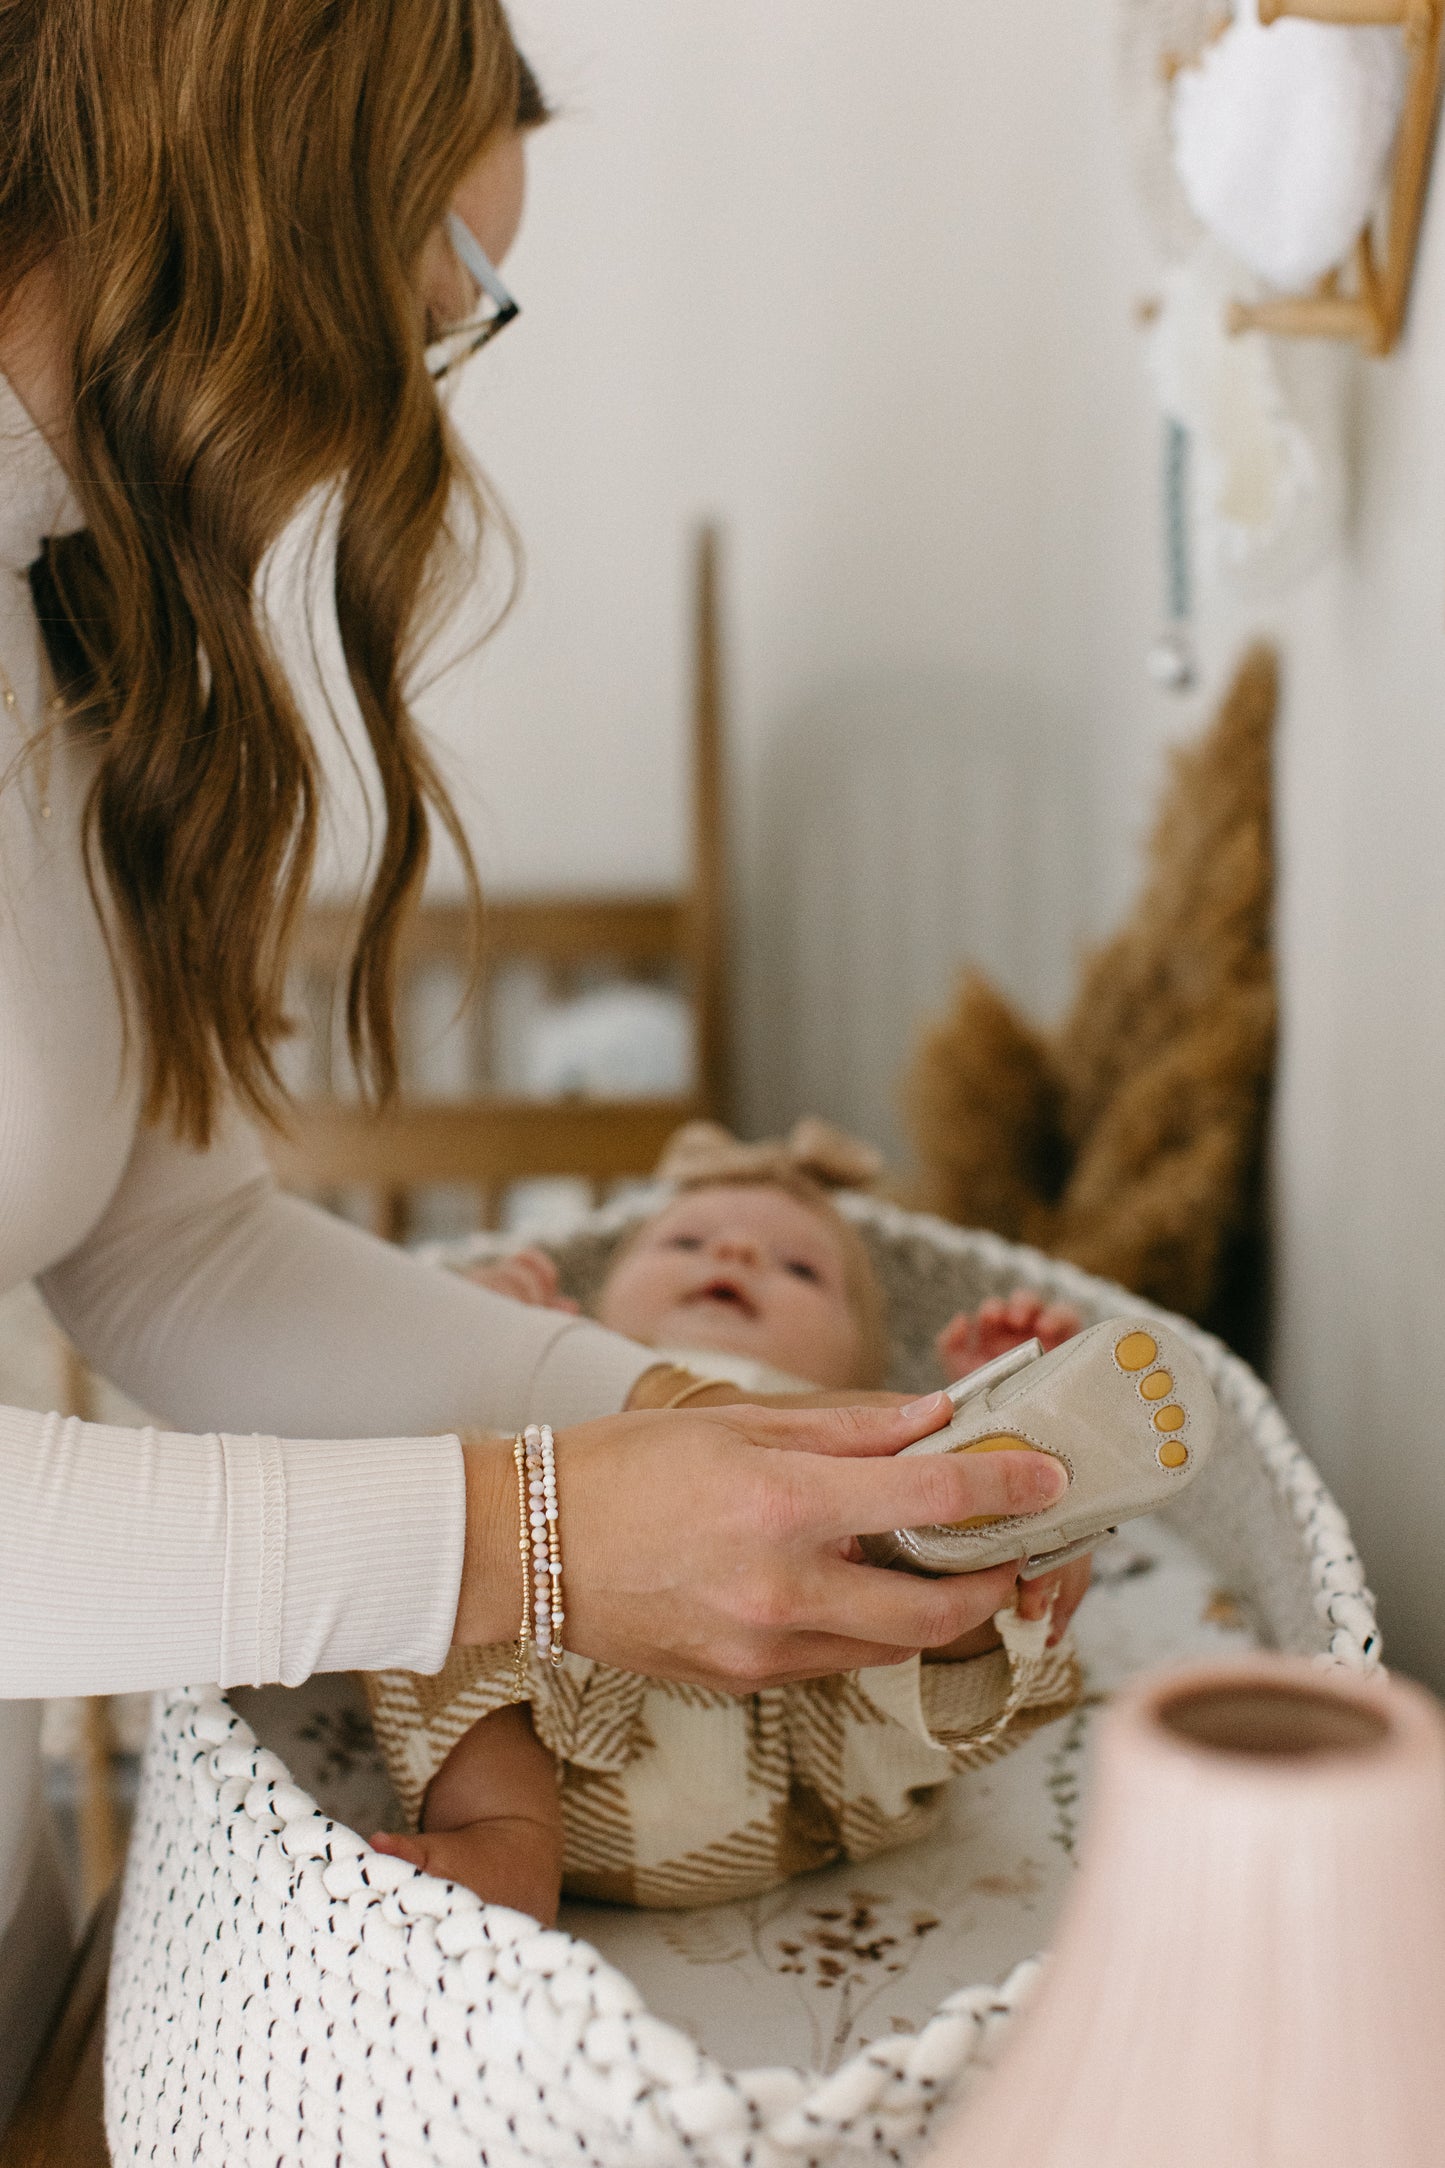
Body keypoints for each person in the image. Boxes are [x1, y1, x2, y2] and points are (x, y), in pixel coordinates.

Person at [0, 2, 1083, 2122]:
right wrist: (542, 1538)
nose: (414, 397)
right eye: (430, 304)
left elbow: (171, 1251)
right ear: (263, 193)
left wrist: (744, 1440)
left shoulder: (67, 608)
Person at [366, 1122, 1086, 1915]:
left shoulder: (844, 1415)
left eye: (801, 1269)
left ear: (859, 1365)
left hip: (812, 1748)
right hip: (561, 1745)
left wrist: (966, 1427)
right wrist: (489, 1324)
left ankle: (1028, 1471)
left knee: (942, 1522)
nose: (737, 1255)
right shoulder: (570, 1373)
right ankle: (499, 1831)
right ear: (595, 1306)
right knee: (443, 1497)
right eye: (687, 1241)